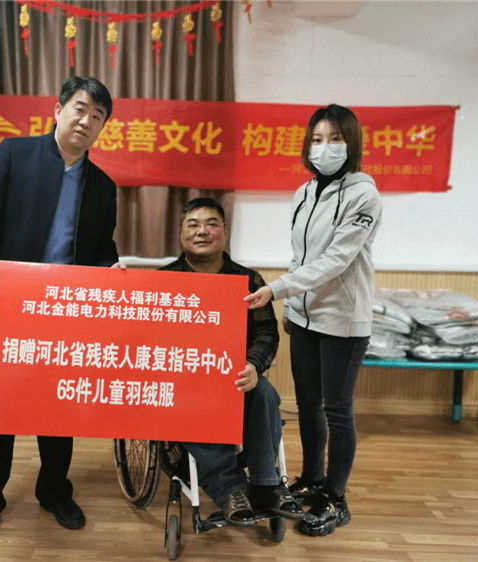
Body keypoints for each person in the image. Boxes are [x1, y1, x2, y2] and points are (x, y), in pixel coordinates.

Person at [0, 76, 123, 546]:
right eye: (80, 109)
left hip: (67, 314)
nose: (86, 121)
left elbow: (101, 247)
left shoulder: (103, 186)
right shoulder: (14, 155)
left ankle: (54, 490)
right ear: (58, 110)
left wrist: (112, 270)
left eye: (97, 116)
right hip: (8, 305)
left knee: (58, 408)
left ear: (102, 128)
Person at [245, 104, 382, 537]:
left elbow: (337, 260)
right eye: (318, 139)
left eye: (335, 139)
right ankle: (312, 479)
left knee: (337, 410)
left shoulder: (364, 195)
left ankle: (336, 499)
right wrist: (291, 305)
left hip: (342, 319)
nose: (325, 148)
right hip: (304, 316)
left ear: (351, 143)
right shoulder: (304, 193)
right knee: (307, 404)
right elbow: (300, 256)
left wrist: (277, 289)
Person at [160, 197, 303, 527]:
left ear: (225, 232)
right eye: (193, 225)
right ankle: (231, 490)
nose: (202, 231)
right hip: (183, 381)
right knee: (189, 401)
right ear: (181, 234)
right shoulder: (164, 280)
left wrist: (253, 364)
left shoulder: (248, 280)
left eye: (211, 224)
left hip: (235, 376)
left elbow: (267, 333)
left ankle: (266, 484)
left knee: (265, 393)